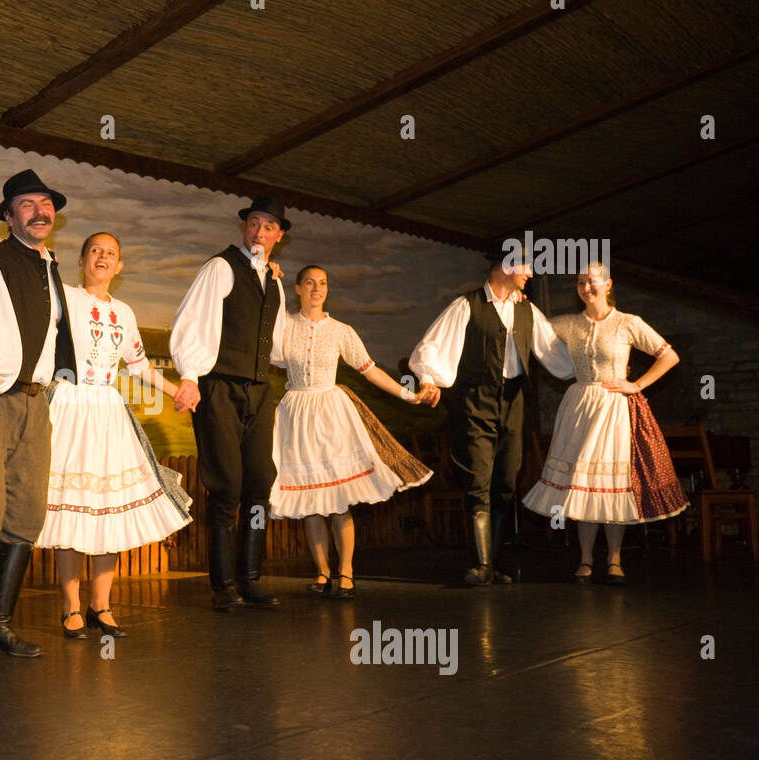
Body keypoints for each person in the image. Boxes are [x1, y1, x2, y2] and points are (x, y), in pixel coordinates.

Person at [36, 233, 191, 638]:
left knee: (112, 508)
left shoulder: (123, 311)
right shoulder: (65, 297)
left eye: (111, 253)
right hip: (69, 406)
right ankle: (70, 608)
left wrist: (179, 392)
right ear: (83, 260)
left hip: (107, 410)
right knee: (70, 510)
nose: (103, 257)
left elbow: (139, 366)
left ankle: (100, 606)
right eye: (95, 251)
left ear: (119, 266)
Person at [0, 169, 75, 666]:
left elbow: (53, 338)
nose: (40, 211)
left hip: (35, 401)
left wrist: (59, 384)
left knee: (26, 516)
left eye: (45, 203)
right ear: (8, 215)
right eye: (27, 204)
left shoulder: (50, 265)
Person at [409, 251, 573, 586]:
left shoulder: (527, 309)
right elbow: (432, 347)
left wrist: (591, 368)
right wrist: (429, 377)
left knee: (506, 483)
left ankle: (493, 563)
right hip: (475, 400)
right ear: (507, 266)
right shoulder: (467, 305)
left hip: (513, 402)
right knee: (478, 480)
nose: (530, 274)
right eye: (525, 267)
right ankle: (482, 564)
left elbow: (555, 353)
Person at [271, 266, 433, 598]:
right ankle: (321, 573)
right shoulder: (284, 328)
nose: (317, 289)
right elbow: (269, 347)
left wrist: (407, 393)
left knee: (338, 499)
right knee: (310, 499)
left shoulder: (341, 331)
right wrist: (270, 280)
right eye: (310, 283)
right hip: (296, 412)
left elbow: (370, 370)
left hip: (331, 412)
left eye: (323, 284)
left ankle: (345, 572)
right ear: (298, 288)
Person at [522, 262, 686, 583]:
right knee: (584, 487)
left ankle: (614, 559)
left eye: (592, 281)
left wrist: (636, 385)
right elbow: (531, 330)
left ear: (608, 284)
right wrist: (518, 303)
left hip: (614, 408)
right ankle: (585, 560)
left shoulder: (627, 323)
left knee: (610, 487)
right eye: (581, 282)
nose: (586, 288)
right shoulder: (569, 323)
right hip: (580, 407)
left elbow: (669, 355)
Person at [170, 196, 290, 611]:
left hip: (258, 390)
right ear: (244, 228)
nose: (259, 232)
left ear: (279, 236)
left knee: (258, 483)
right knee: (226, 487)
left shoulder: (273, 280)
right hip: (219, 386)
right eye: (253, 223)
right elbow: (192, 323)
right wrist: (190, 375)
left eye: (268, 226)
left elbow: (275, 344)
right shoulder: (220, 267)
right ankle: (223, 587)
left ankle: (251, 578)